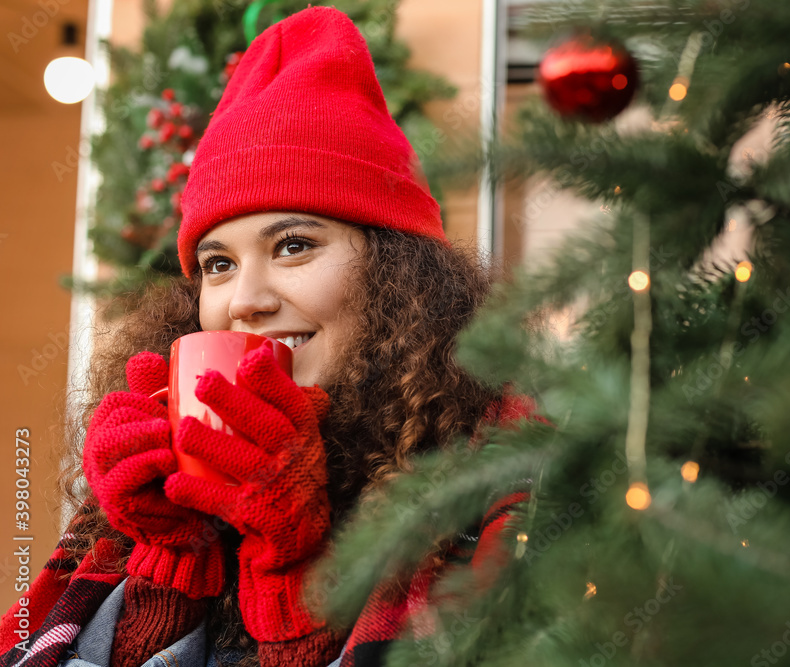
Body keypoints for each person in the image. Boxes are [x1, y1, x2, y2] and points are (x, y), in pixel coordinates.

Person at [0, 6, 536, 667]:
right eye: (218, 263)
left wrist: (294, 587)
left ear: (400, 273)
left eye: (292, 245)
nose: (244, 301)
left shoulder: (505, 474)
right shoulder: (157, 491)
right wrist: (167, 568)